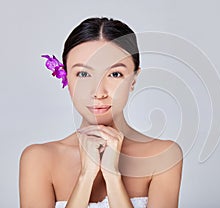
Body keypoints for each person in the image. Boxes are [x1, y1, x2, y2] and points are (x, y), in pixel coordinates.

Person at [19, 17, 183, 208]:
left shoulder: (164, 157)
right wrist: (85, 177)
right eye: (83, 74)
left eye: (115, 74)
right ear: (66, 78)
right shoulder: (39, 159)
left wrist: (113, 177)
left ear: (134, 79)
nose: (98, 92)